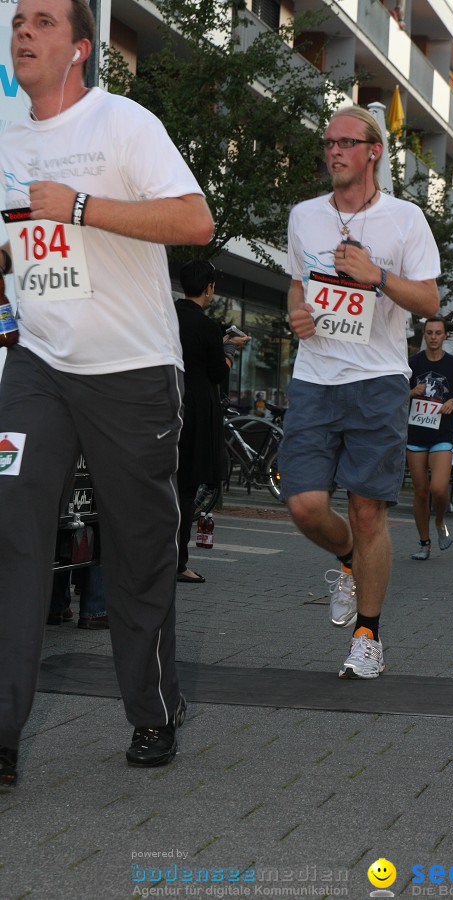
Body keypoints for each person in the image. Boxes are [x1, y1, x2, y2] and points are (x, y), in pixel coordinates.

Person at [0, 0, 214, 786]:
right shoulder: (5, 140)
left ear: (81, 47)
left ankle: (153, 713)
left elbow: (196, 221)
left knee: (138, 551)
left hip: (131, 372)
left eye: (45, 22)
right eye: (20, 19)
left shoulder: (123, 123)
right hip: (39, 367)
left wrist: (82, 205)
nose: (25, 31)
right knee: (12, 530)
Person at [279, 105, 440, 679]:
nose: (334, 152)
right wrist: (297, 312)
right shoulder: (304, 216)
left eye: (346, 142)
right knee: (304, 504)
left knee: (369, 511)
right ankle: (347, 559)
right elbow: (298, 282)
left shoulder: (405, 220)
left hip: (377, 381)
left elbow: (428, 302)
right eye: (328, 143)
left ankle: (368, 635)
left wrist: (378, 277)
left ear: (373, 152)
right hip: (315, 377)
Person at [175, 259, 250, 583]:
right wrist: (230, 350)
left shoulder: (167, 317)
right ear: (209, 288)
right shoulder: (205, 327)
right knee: (187, 490)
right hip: (197, 413)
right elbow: (219, 371)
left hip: (166, 405)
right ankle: (179, 562)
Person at [406, 309, 453, 559]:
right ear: (424, 335)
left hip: (442, 434)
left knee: (439, 489)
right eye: (429, 333)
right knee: (421, 491)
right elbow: (396, 395)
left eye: (438, 333)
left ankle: (440, 521)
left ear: (445, 336)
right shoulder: (413, 363)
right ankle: (424, 543)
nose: (433, 337)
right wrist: (412, 393)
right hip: (415, 435)